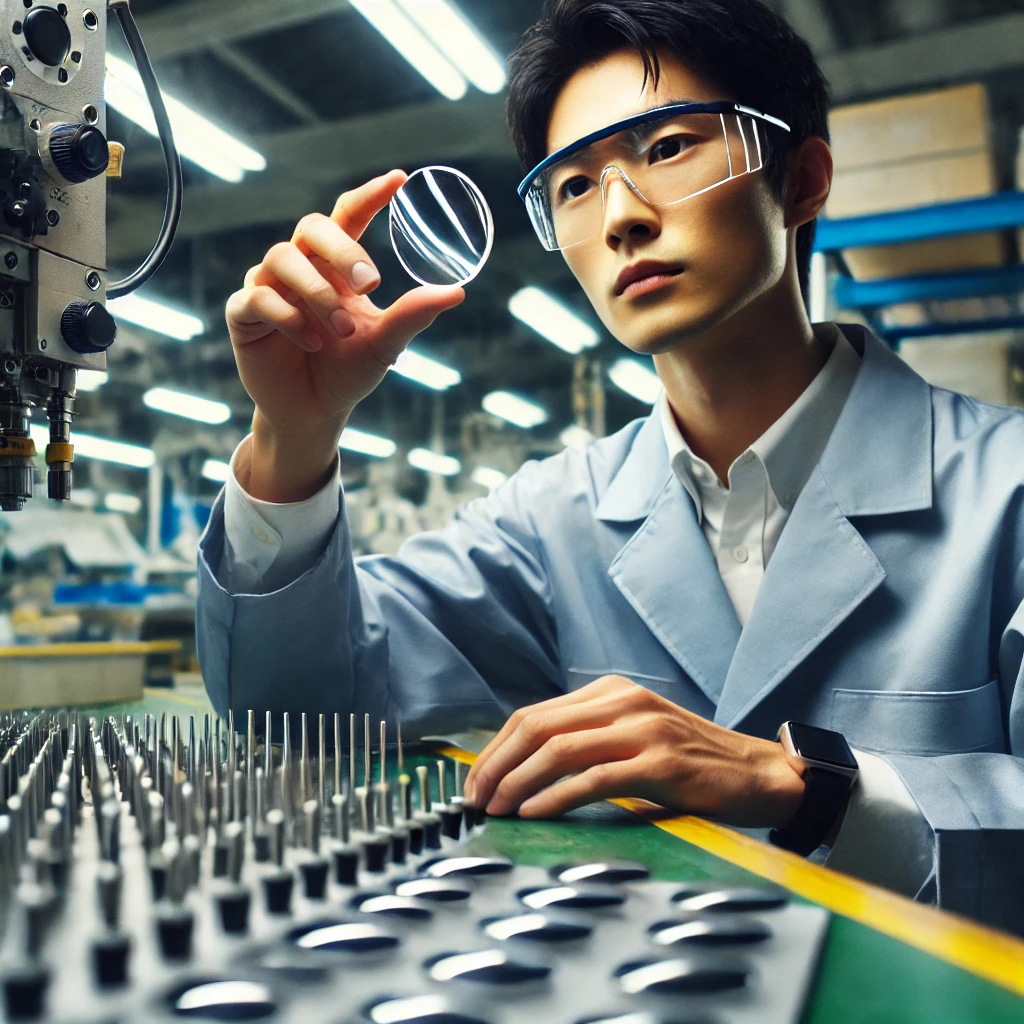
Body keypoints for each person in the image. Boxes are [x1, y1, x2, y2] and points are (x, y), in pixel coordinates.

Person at [197, 0, 1024, 932]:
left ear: (800, 181)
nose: (621, 218)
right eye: (575, 187)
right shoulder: (552, 518)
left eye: (668, 147)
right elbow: (297, 711)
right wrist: (292, 437)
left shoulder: (1007, 490)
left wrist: (814, 792)